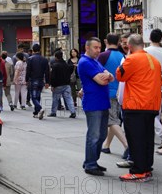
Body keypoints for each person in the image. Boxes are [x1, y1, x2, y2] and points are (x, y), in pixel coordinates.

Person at [116, 34, 162, 182]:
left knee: (136, 140)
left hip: (136, 104)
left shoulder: (132, 59)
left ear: (129, 46)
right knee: (147, 139)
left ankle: (138, 171)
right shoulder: (153, 60)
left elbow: (119, 75)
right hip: (151, 105)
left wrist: (127, 57)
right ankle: (147, 168)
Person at [78, 37, 114, 176]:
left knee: (102, 135)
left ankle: (91, 160)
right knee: (94, 135)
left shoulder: (95, 61)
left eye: (100, 47)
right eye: (95, 48)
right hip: (93, 104)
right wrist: (106, 76)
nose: (98, 50)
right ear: (87, 48)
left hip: (102, 103)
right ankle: (90, 165)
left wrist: (107, 76)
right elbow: (102, 81)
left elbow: (110, 76)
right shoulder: (85, 62)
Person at [98, 34, 128, 156]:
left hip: (107, 91)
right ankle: (106, 145)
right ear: (119, 42)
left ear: (106, 41)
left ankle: (127, 146)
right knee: (114, 119)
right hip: (121, 92)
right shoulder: (123, 56)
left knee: (112, 120)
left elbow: (96, 72)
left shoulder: (103, 56)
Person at [48, 50, 76, 118]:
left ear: (56, 57)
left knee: (55, 99)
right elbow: (71, 70)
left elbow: (53, 77)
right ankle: (73, 112)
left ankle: (53, 112)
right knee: (69, 98)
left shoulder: (55, 66)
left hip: (58, 85)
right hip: (66, 84)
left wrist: (52, 85)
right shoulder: (66, 64)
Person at [26, 43, 50, 119]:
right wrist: (47, 82)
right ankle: (36, 112)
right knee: (38, 96)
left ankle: (39, 108)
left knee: (33, 97)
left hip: (33, 80)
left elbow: (28, 71)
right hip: (41, 80)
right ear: (40, 50)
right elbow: (47, 72)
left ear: (33, 50)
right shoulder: (45, 60)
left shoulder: (30, 59)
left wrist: (26, 80)